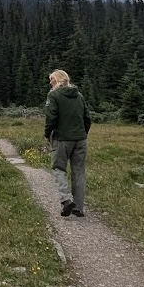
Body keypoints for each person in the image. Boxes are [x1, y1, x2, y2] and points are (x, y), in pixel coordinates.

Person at [44, 69, 91, 218]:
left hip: (62, 139)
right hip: (80, 139)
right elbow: (87, 118)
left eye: (51, 79)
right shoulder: (79, 95)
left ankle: (66, 200)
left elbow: (51, 118)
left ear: (58, 80)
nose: (50, 82)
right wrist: (82, 133)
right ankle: (78, 208)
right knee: (78, 172)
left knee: (58, 168)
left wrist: (47, 134)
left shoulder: (54, 95)